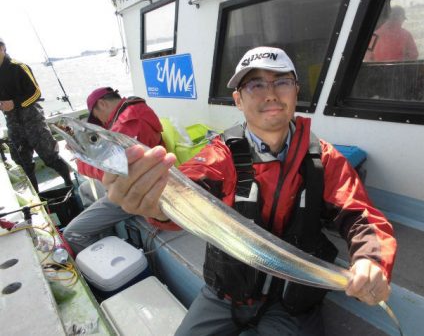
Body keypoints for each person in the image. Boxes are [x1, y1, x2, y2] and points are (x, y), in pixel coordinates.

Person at [103, 47, 397, 335]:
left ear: (296, 92)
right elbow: (188, 187)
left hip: (294, 304)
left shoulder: (325, 159)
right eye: (255, 84)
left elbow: (361, 216)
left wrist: (371, 262)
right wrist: (153, 201)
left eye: (282, 82)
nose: (270, 93)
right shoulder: (220, 155)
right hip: (225, 294)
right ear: (238, 101)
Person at [63, 87, 179, 255]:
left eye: (96, 116)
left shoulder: (128, 120)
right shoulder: (131, 111)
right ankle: (107, 236)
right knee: (84, 188)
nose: (101, 122)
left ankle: (111, 267)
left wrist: (80, 158)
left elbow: (113, 168)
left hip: (137, 186)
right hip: (138, 179)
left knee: (72, 233)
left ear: (101, 104)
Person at [0, 37, 72, 192]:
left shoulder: (18, 67)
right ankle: (37, 197)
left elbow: (36, 93)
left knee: (50, 157)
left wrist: (15, 103)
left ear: (3, 48)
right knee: (23, 162)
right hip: (13, 123)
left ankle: (69, 184)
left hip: (32, 119)